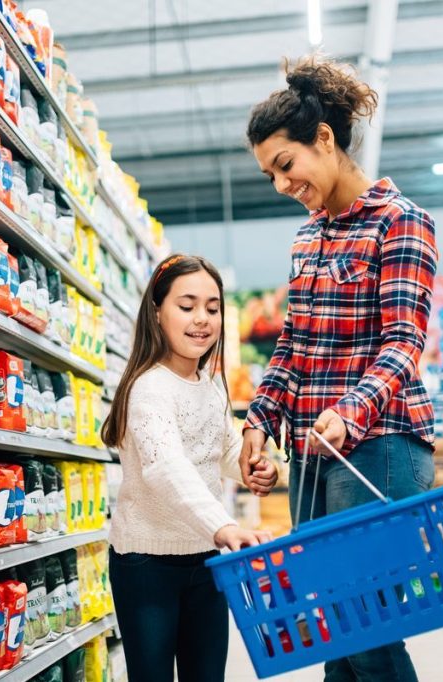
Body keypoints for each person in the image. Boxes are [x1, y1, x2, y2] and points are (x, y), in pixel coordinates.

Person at [239, 56, 439, 682]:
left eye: (285, 165)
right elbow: (294, 345)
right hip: (316, 457)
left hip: (379, 446)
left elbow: (404, 342)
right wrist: (258, 421)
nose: (280, 184)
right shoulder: (308, 238)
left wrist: (350, 412)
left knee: (367, 630)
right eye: (270, 174)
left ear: (323, 139)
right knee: (331, 633)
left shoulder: (400, 222)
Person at [102, 253, 279, 682]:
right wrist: (224, 526)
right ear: (157, 312)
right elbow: (166, 468)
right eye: (187, 306)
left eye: (212, 308)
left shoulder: (210, 384)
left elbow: (219, 449)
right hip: (147, 563)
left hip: (204, 560)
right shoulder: (148, 389)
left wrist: (253, 468)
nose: (202, 319)